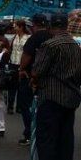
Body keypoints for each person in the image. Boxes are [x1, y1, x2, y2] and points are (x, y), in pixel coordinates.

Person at [23, 13, 81, 160]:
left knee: (47, 140)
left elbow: (37, 71)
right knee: (65, 141)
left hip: (51, 97)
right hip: (70, 98)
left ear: (50, 26)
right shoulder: (76, 46)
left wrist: (33, 79)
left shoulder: (50, 45)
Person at [18, 14, 52, 145]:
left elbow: (26, 56)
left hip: (30, 77)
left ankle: (29, 133)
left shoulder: (33, 39)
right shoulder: (52, 37)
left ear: (34, 25)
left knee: (25, 105)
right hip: (48, 79)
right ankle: (44, 132)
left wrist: (21, 69)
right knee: (44, 106)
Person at [7, 19, 30, 114]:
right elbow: (10, 49)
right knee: (12, 86)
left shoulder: (28, 38)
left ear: (21, 27)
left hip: (22, 65)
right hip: (13, 63)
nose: (14, 27)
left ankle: (19, 106)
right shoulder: (14, 37)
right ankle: (10, 106)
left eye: (16, 26)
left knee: (21, 87)